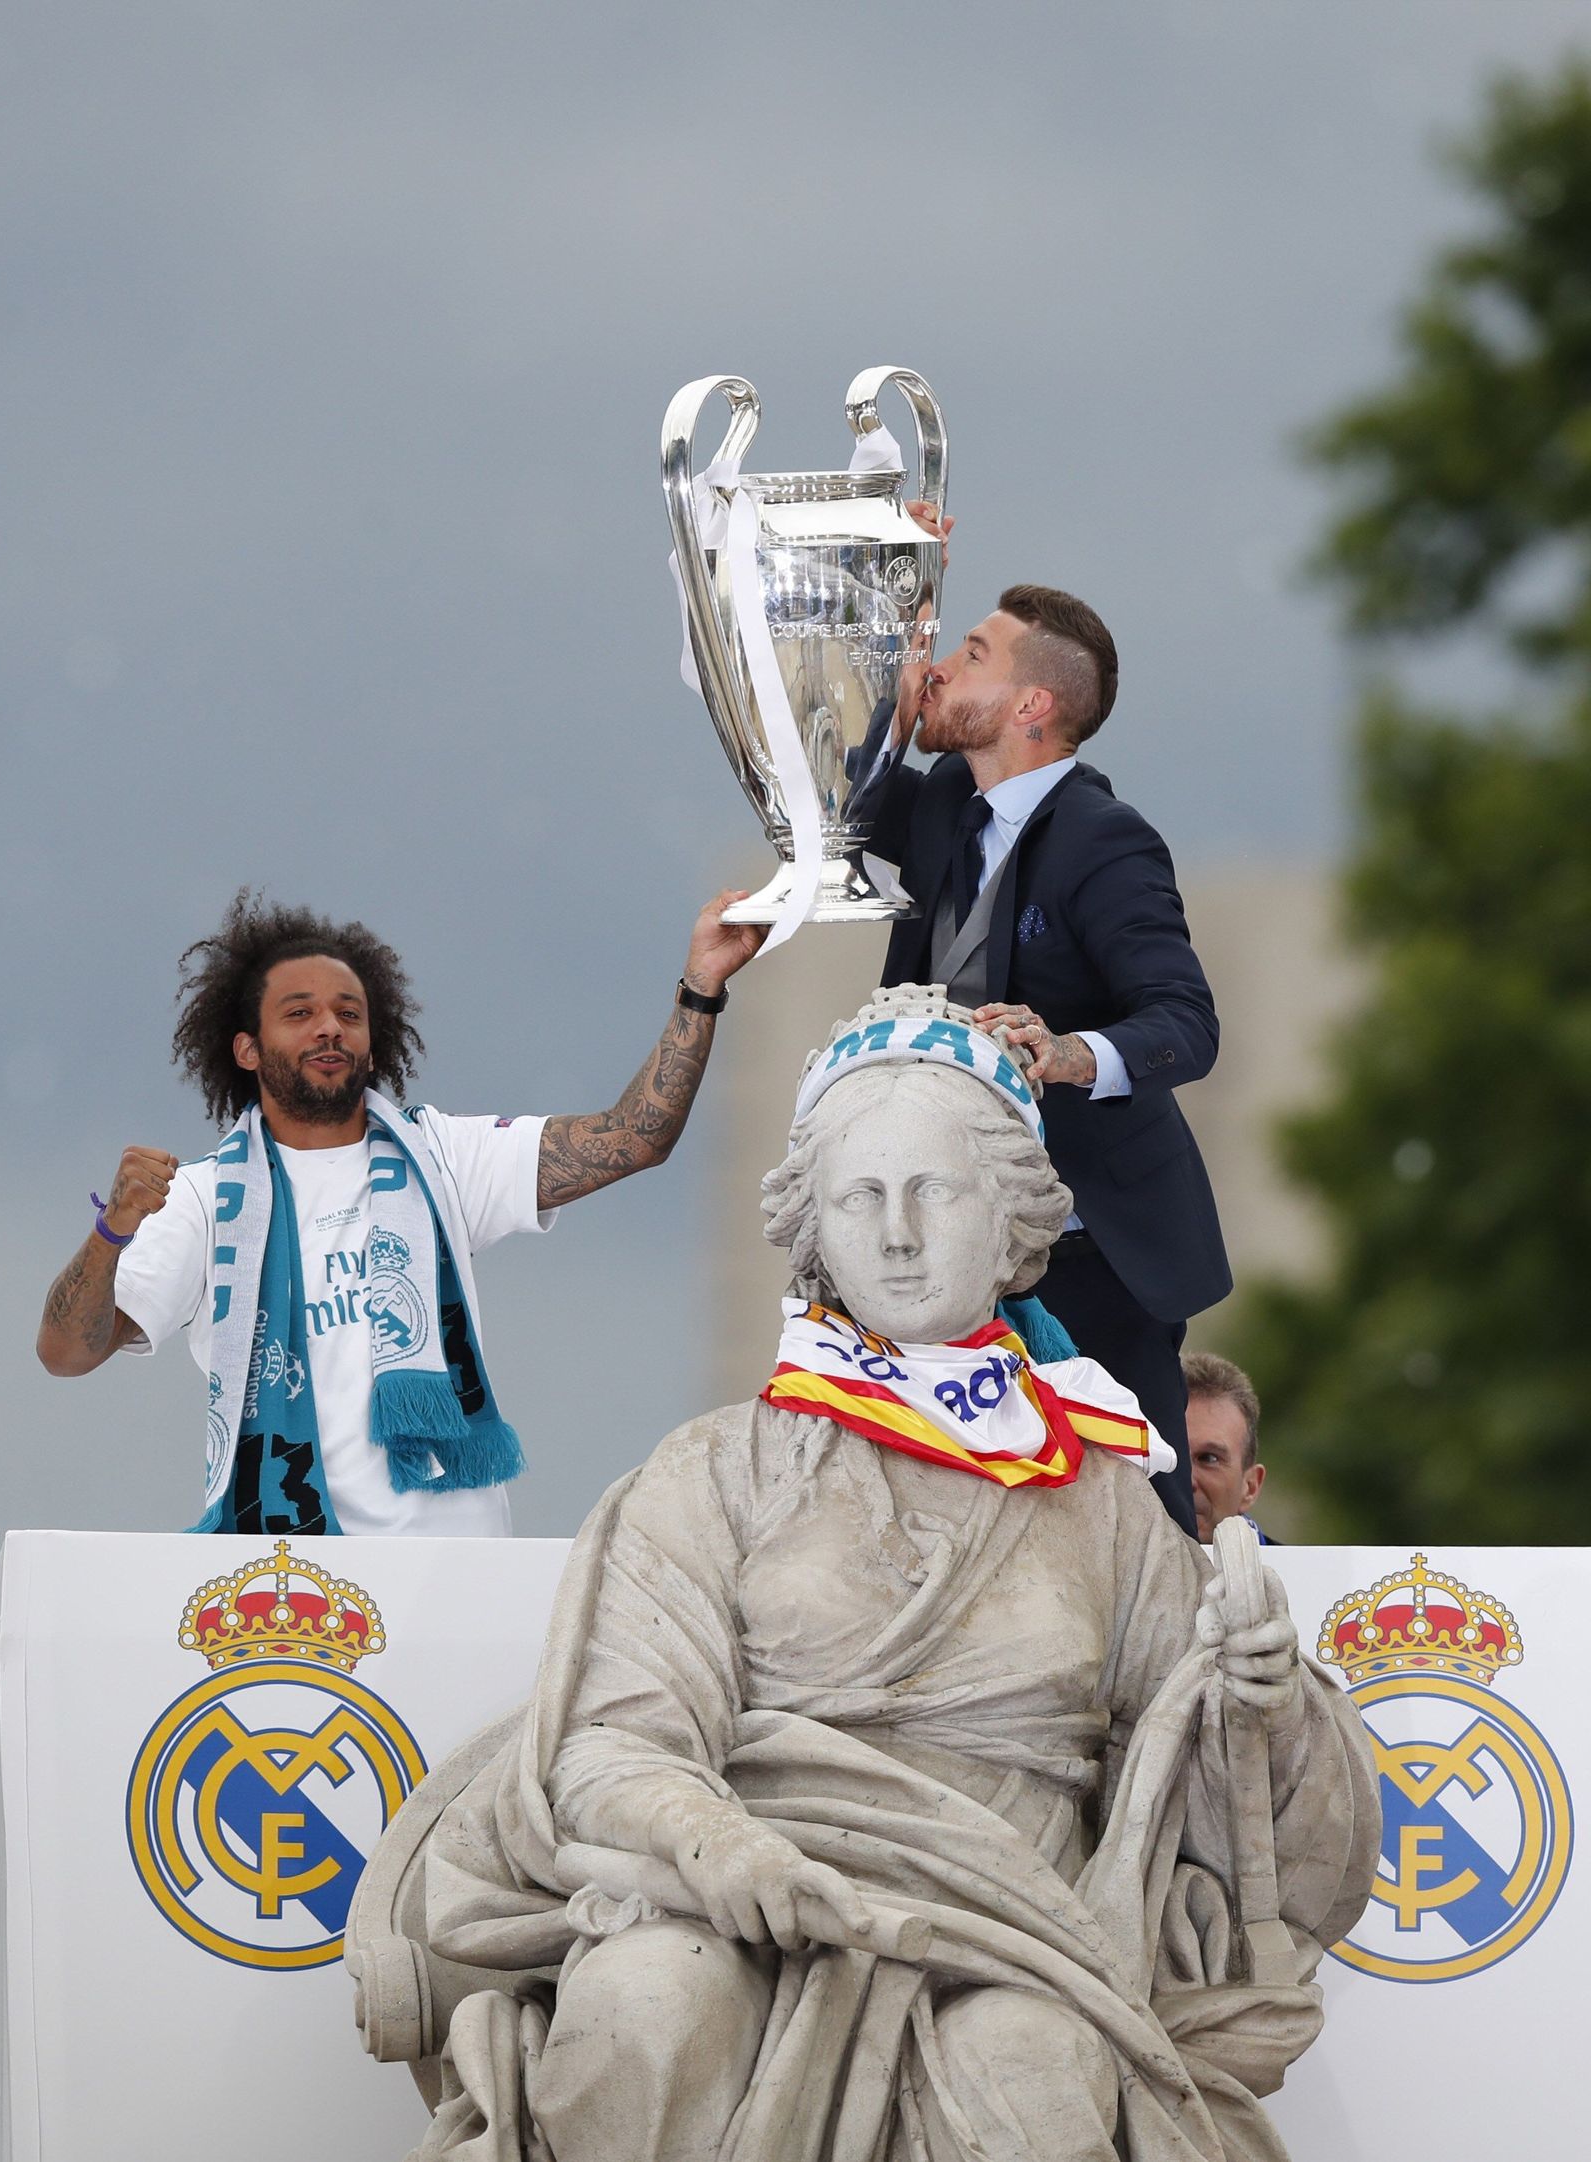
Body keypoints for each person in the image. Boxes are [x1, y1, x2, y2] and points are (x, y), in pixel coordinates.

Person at [348, 988, 1376, 2162]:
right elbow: (612, 1743)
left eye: (933, 1190)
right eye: (860, 1195)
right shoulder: (713, 1470)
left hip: (1010, 1929)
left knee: (1030, 2081)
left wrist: (1265, 1700)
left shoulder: (1101, 1499)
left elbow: (1224, 1808)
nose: (895, 1232)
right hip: (733, 1897)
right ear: (815, 1227)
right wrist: (715, 1845)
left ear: (1011, 1219)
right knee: (647, 2006)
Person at [35, 888, 764, 1536]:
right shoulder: (202, 1198)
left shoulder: (441, 1153)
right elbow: (67, 1351)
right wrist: (114, 1229)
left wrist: (700, 987)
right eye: (300, 1014)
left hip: (451, 1579)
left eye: (349, 1013)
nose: (330, 1028)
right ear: (248, 1049)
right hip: (295, 1585)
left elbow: (632, 1138)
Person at [864, 576, 1230, 1538]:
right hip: (950, 1241)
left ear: (1034, 706)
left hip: (1092, 1248)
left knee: (1137, 1537)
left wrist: (1067, 1053)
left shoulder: (1108, 843)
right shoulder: (948, 802)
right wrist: (883, 583)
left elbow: (1187, 1023)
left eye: (973, 654)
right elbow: (820, 785)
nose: (943, 666)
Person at [1183, 1348, 1271, 1544]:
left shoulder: (1302, 1574)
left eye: (1208, 1458)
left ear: (1250, 1487)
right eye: (1172, 1458)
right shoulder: (1104, 1570)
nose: (1187, 1481)